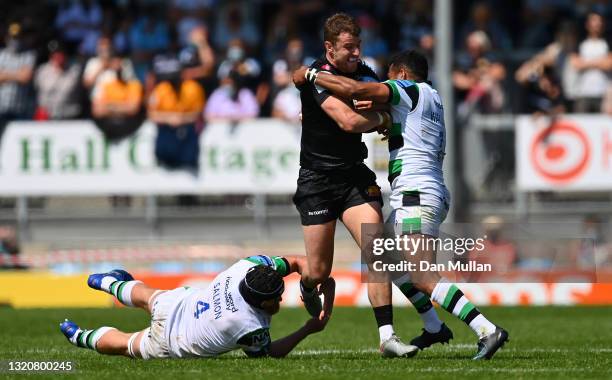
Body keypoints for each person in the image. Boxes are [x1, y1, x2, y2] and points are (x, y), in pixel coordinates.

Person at [294, 49, 509, 360]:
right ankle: (433, 326)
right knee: (385, 257)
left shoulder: (406, 89)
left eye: (389, 79)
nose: (386, 85)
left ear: (402, 75)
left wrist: (313, 76)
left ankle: (485, 329)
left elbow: (357, 90)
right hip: (425, 193)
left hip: (415, 196)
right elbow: (370, 104)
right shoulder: (431, 96)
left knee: (423, 276)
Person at [293, 13, 416, 358]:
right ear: (329, 48)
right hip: (317, 180)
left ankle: (387, 336)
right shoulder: (318, 76)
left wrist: (381, 109)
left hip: (353, 176)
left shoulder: (365, 74)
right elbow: (349, 121)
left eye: (358, 45)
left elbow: (385, 101)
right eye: (349, 47)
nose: (356, 52)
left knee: (376, 250)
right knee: (319, 271)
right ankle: (307, 284)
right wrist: (382, 118)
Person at [60, 255, 335, 359]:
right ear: (263, 302)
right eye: (277, 297)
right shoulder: (249, 326)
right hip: (175, 342)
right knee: (127, 344)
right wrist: (309, 328)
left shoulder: (245, 267)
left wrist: (310, 283)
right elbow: (270, 353)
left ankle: (106, 282)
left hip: (178, 305)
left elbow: (296, 261)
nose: (280, 301)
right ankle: (79, 336)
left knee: (147, 295)